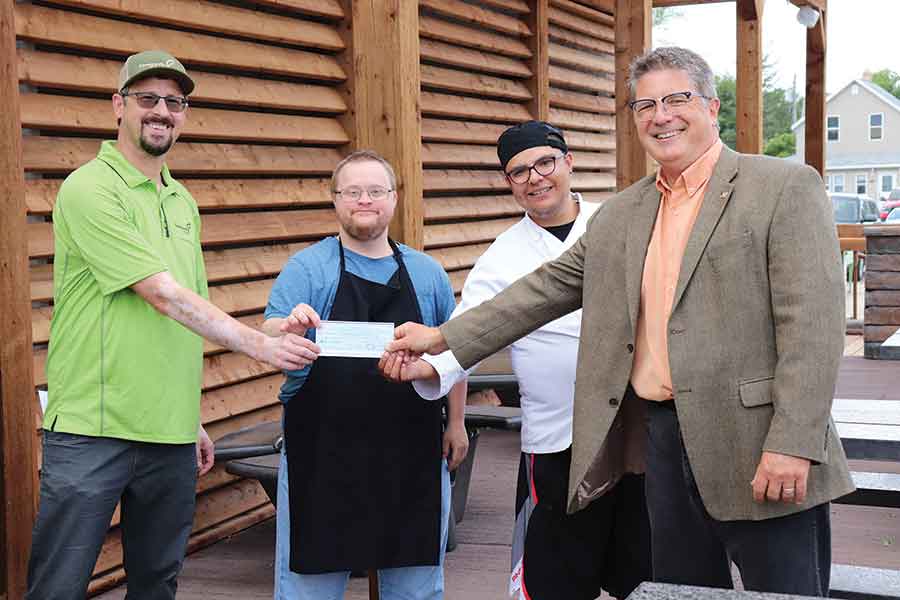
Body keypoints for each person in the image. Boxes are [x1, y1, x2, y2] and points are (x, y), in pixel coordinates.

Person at [381, 47, 854, 597]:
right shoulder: (622, 213)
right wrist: (442, 337)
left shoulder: (782, 187)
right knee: (682, 591)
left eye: (676, 99)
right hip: (662, 443)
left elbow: (812, 330)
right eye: (645, 105)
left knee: (785, 591)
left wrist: (793, 443)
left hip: (759, 442)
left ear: (712, 106)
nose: (661, 116)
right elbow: (543, 290)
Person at [27, 50, 319, 600]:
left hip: (169, 433)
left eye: (175, 102)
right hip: (93, 428)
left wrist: (192, 415)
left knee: (157, 585)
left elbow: (189, 312)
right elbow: (159, 293)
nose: (162, 111)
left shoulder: (181, 200)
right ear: (118, 106)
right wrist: (258, 346)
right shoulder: (89, 187)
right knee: (57, 587)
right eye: (148, 98)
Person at [407, 121, 650, 600]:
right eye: (520, 171)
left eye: (545, 163)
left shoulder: (620, 223)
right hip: (556, 436)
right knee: (555, 578)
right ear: (509, 183)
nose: (535, 178)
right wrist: (429, 367)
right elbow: (469, 329)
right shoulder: (502, 255)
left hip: (634, 428)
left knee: (646, 572)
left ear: (568, 163)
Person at [261, 150, 468, 600]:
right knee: (308, 590)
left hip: (412, 455)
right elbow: (270, 329)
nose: (364, 200)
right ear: (335, 200)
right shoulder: (308, 268)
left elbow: (453, 351)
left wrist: (456, 422)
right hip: (322, 456)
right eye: (352, 191)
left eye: (375, 190)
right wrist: (289, 328)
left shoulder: (426, 273)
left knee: (415, 590)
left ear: (394, 199)